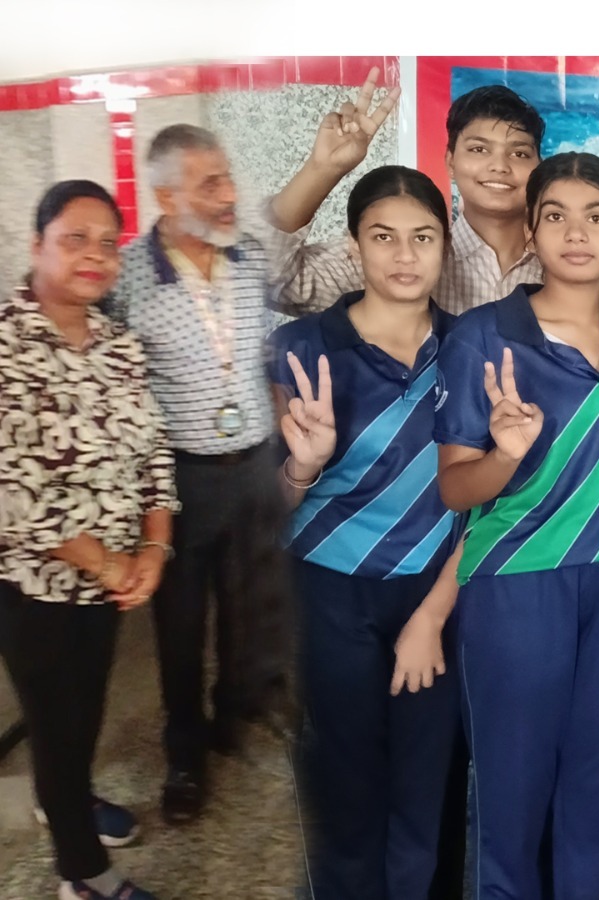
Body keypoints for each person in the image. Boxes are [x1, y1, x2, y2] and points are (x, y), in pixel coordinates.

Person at [433, 152, 599, 900]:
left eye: (596, 217)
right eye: (555, 216)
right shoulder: (483, 336)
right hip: (516, 584)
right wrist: (505, 455)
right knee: (513, 782)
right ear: (530, 230)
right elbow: (454, 488)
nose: (576, 233)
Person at [268, 165, 462, 899]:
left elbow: (489, 503)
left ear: (445, 245)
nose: (404, 256)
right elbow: (263, 514)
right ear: (353, 246)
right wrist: (303, 465)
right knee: (344, 785)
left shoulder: (472, 348)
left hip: (436, 593)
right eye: (383, 237)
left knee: (426, 786)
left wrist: (433, 614)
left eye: (423, 237)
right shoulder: (301, 347)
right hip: (328, 594)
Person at [107, 123, 294, 825]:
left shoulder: (247, 258)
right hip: (180, 480)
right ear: (165, 196)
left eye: (228, 177)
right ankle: (184, 752)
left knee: (254, 604)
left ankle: (237, 711)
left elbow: (268, 349)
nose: (228, 194)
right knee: (180, 622)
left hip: (256, 465)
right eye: (209, 182)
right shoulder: (128, 277)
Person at [0, 180, 178, 900]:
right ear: (37, 245)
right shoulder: (7, 345)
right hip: (34, 587)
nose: (95, 255)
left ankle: (64, 796)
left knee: (82, 713)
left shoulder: (118, 345)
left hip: (112, 579)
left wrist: (155, 549)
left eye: (108, 242)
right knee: (58, 720)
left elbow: (153, 451)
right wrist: (109, 563)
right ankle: (84, 875)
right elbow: (12, 491)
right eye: (75, 238)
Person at [269, 71, 546, 315]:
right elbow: (269, 278)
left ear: (540, 167)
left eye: (519, 153)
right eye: (479, 149)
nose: (499, 166)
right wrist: (322, 169)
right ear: (450, 162)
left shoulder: (560, 262)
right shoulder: (397, 258)